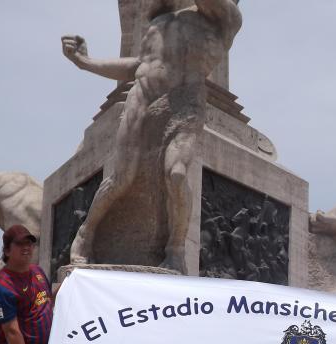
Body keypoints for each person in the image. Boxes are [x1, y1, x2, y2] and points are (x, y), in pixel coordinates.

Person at [61, 0, 242, 273]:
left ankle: (175, 249)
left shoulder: (227, 17)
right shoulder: (160, 21)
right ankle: (85, 235)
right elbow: (140, 66)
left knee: (177, 173)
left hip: (185, 102)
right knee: (121, 178)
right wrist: (85, 62)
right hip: (142, 99)